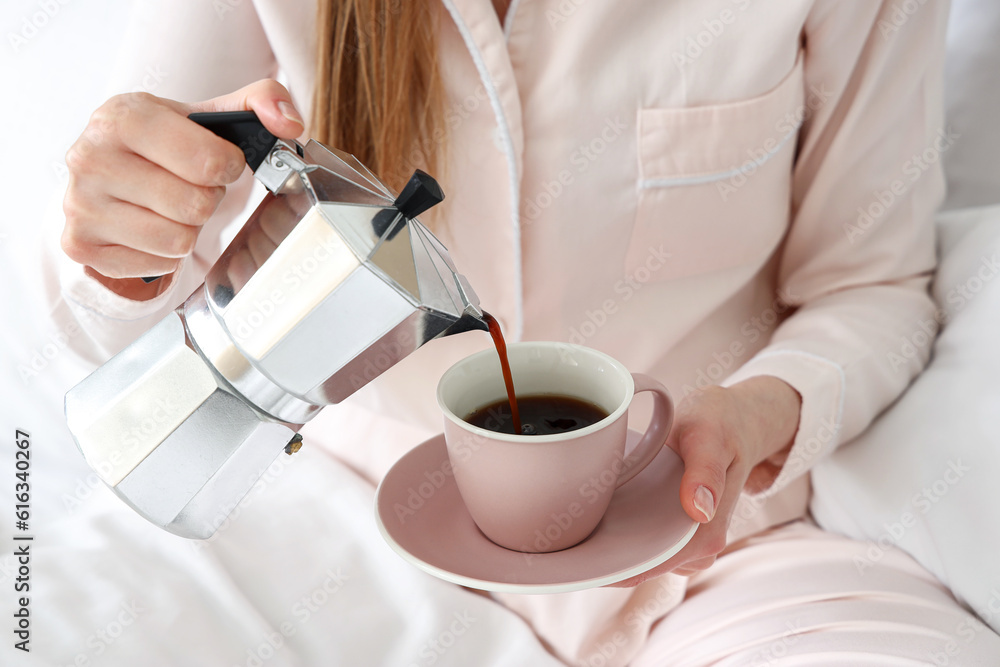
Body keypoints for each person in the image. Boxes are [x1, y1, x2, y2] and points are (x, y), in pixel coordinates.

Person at [51, 0, 1000, 664]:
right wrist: (115, 232)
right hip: (339, 509)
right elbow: (102, 295)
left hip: (720, 544)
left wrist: (763, 411)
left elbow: (872, 282)